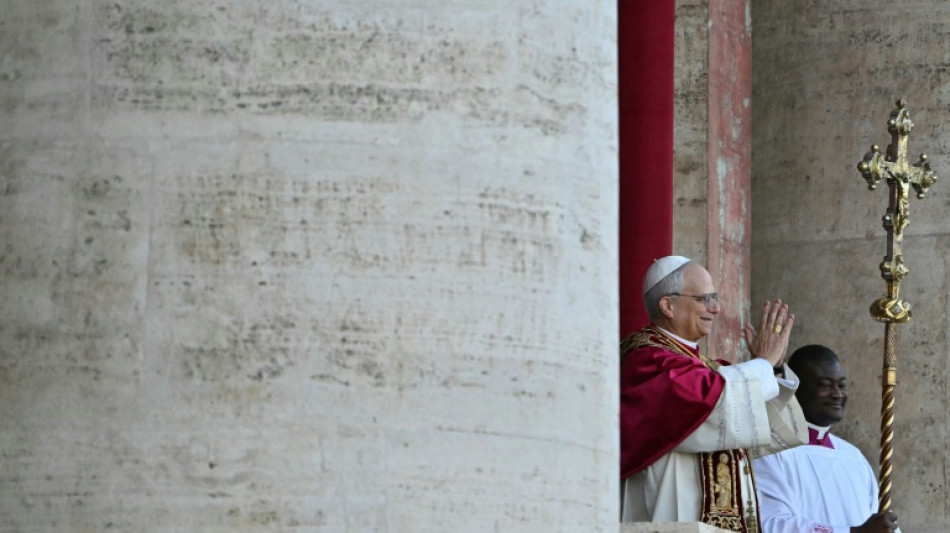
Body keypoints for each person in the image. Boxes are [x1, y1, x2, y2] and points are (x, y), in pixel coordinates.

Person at [621, 255, 808, 533]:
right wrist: (763, 364)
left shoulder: (701, 366)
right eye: (703, 299)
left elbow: (757, 425)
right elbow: (707, 399)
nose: (716, 308)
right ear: (668, 305)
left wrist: (773, 367)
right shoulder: (648, 361)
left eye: (715, 297)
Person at [752, 345, 901, 533]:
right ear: (795, 389)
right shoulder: (770, 451)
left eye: (842, 385)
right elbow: (771, 524)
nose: (837, 394)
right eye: (824, 385)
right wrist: (853, 532)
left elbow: (878, 524)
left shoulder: (854, 458)